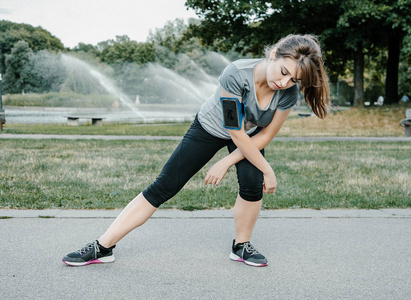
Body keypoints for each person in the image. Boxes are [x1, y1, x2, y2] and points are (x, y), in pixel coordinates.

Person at [62, 34, 330, 267]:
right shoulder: (236, 73)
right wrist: (266, 168)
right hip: (210, 128)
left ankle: (241, 246)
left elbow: (265, 135)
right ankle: (102, 247)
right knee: (164, 185)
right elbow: (233, 130)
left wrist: (231, 163)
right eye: (283, 72)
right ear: (274, 55)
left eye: (293, 79)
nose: (284, 82)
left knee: (252, 183)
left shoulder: (288, 93)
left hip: (250, 137)